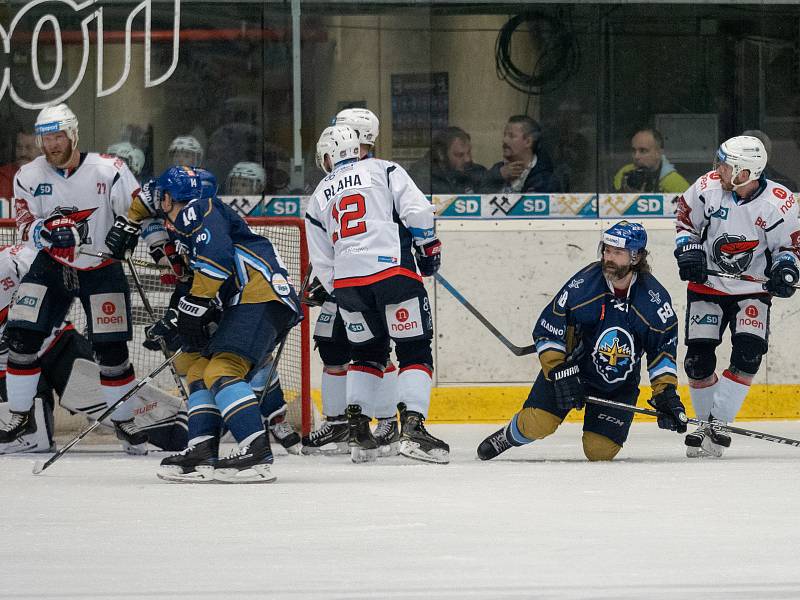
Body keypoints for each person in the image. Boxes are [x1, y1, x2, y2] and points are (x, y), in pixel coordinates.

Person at [0, 103, 160, 454]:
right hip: (51, 265)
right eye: (45, 138)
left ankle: (124, 420)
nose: (52, 145)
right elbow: (25, 224)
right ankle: (20, 414)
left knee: (111, 350)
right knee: (22, 337)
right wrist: (46, 232)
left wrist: (162, 250)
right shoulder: (28, 175)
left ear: (73, 134)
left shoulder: (110, 170)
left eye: (58, 136)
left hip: (101, 269)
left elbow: (141, 212)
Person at [125, 166, 302, 482]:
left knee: (222, 371)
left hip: (259, 295)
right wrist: (175, 319)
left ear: (169, 197)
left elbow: (216, 259)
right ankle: (202, 451)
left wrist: (190, 309)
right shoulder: (187, 224)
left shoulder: (198, 209)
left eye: (161, 195)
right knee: (198, 373)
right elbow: (196, 280)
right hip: (246, 301)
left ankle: (256, 452)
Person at [477, 221, 687, 462]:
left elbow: (662, 352)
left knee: (599, 451)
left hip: (616, 384)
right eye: (607, 250)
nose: (608, 257)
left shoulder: (655, 301)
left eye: (617, 253)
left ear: (636, 257)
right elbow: (548, 328)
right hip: (571, 370)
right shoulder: (584, 286)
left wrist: (666, 395)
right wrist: (558, 369)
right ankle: (509, 436)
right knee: (538, 423)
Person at [306, 124, 448, 464]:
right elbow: (417, 211)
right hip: (393, 275)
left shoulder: (318, 195)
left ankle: (359, 432)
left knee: (366, 355)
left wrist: (340, 291)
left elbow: (322, 259)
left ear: (329, 156)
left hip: (348, 287)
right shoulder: (384, 169)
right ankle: (412, 429)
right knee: (414, 349)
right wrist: (428, 247)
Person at [674, 135, 800, 458]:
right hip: (708, 286)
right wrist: (688, 250)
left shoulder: (779, 203)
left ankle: (719, 423)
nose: (719, 169)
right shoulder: (707, 188)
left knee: (748, 355)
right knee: (697, 361)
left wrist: (786, 269)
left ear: (745, 173)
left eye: (726, 165)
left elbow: (790, 247)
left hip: (753, 290)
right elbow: (685, 220)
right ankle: (704, 425)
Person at [302, 109, 400, 457]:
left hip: (373, 280)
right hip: (342, 281)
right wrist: (320, 279)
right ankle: (339, 422)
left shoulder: (381, 173)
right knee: (330, 343)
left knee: (374, 349)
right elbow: (331, 238)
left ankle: (387, 421)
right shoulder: (338, 180)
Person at [480, 115, 558, 194]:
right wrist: (499, 176)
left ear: (528, 142)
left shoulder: (545, 178)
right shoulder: (498, 170)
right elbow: (477, 195)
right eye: (504, 135)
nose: (504, 140)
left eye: (511, 136)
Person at [408, 126, 487, 194]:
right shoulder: (422, 177)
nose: (467, 159)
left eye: (469, 152)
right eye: (459, 155)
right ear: (441, 154)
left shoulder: (477, 172)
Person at [613, 127, 690, 193]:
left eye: (643, 151)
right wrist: (624, 193)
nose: (636, 156)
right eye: (633, 151)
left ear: (659, 153)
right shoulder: (624, 173)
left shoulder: (675, 183)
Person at [0, 130, 41, 202]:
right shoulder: (3, 175)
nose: (23, 153)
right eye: (19, 147)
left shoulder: (52, 174)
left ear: (41, 150)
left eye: (29, 147)